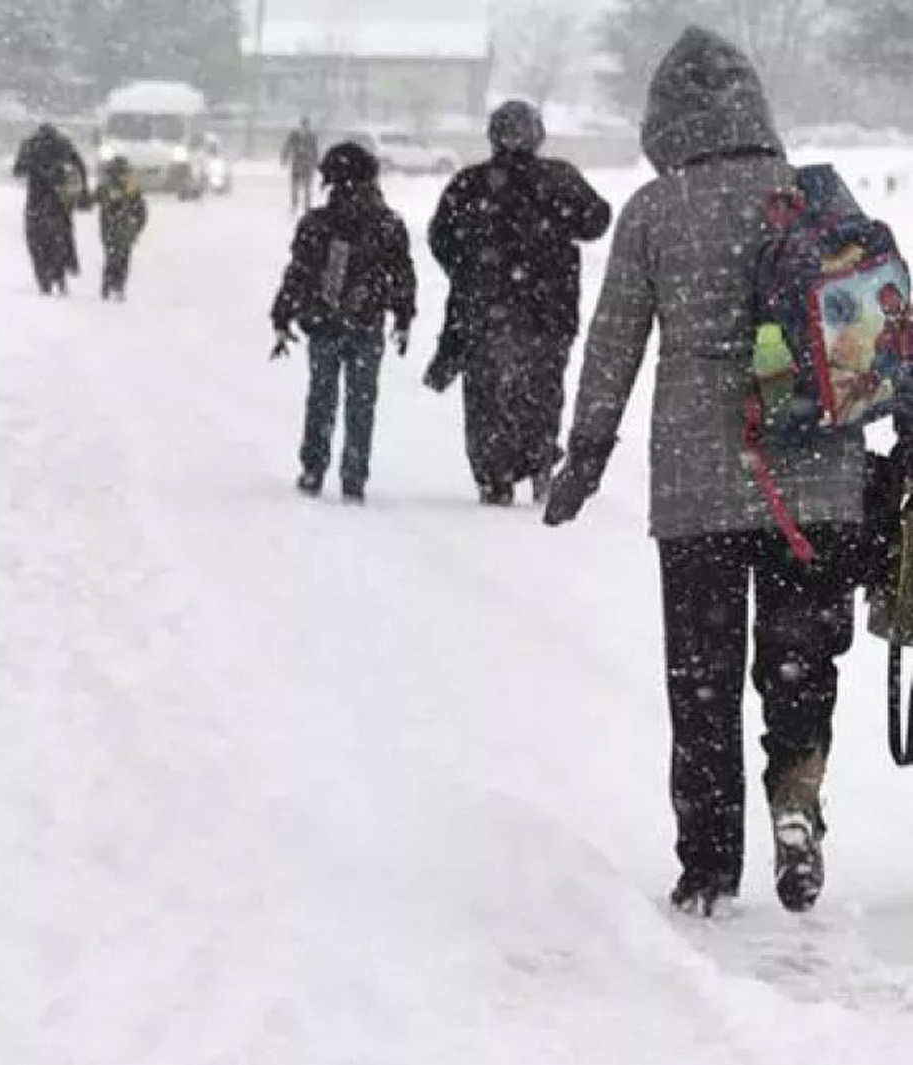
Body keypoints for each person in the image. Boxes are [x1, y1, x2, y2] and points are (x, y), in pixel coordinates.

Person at [544, 27, 870, 918]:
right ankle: (797, 796)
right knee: (800, 659)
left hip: (700, 487)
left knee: (703, 676)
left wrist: (586, 451)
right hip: (820, 479)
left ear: (665, 119)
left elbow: (613, 343)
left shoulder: (655, 210)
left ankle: (709, 864)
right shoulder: (810, 199)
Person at [427, 100, 612, 506]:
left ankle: (495, 475)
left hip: (486, 310)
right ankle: (539, 458)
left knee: (486, 396)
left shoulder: (470, 184)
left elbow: (440, 237)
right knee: (542, 390)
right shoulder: (559, 178)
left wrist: (469, 269)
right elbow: (597, 220)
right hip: (550, 311)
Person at [269, 142, 416, 504]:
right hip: (367, 323)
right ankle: (353, 474)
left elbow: (298, 273)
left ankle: (313, 467)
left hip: (324, 321)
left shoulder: (317, 224)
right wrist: (403, 315)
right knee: (361, 401)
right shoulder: (388, 224)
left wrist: (283, 313)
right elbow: (402, 274)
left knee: (322, 396)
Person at [13, 123, 89, 296]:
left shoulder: (30, 145)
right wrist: (83, 192)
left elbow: (18, 170)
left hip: (36, 200)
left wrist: (34, 168)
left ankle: (44, 280)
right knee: (62, 237)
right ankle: (62, 271)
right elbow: (80, 166)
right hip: (58, 199)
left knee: (36, 241)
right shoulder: (63, 144)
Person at [93, 156, 149, 301]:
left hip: (125, 231)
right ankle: (109, 284)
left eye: (125, 173)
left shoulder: (132, 190)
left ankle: (118, 286)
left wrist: (136, 227)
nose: (123, 177)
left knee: (122, 258)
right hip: (111, 230)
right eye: (120, 173)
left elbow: (141, 211)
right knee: (113, 257)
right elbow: (92, 200)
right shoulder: (106, 189)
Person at [281, 116, 320, 217]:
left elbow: (315, 150)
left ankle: (307, 207)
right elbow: (287, 146)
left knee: (307, 187)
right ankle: (294, 206)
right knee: (295, 186)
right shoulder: (294, 135)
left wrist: (316, 163)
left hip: (307, 165)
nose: (304, 128)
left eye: (306, 126)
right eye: (303, 125)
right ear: (300, 125)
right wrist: (284, 158)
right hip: (297, 164)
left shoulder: (312, 136)